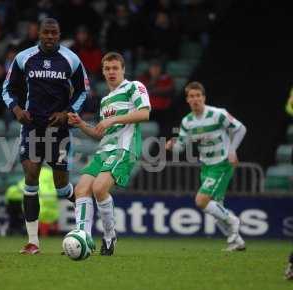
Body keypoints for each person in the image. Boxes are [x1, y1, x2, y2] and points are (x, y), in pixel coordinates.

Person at [1, 18, 89, 255]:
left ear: (59, 35)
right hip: (32, 127)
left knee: (61, 186)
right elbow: (7, 89)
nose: (50, 37)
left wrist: (68, 113)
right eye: (46, 33)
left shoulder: (71, 59)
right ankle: (32, 242)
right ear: (38, 34)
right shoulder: (24, 58)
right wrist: (17, 110)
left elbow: (83, 90)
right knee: (31, 176)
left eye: (54, 33)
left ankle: (86, 217)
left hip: (59, 130)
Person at [68, 52, 151, 255]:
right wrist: (81, 124)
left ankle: (109, 236)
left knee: (99, 188)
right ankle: (83, 237)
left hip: (125, 148)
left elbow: (145, 113)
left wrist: (112, 120)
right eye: (107, 69)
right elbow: (99, 133)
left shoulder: (134, 86)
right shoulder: (105, 100)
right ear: (103, 72)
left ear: (123, 69)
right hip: (104, 150)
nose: (111, 72)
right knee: (81, 189)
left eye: (115, 68)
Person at [165, 81, 247, 251]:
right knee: (215, 208)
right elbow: (181, 147)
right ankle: (237, 241)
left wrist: (232, 150)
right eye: (191, 96)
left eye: (198, 96)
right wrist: (172, 144)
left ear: (204, 97)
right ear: (187, 99)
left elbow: (241, 129)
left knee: (202, 201)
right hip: (206, 166)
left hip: (222, 164)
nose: (195, 99)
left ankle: (233, 220)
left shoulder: (218, 114)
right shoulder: (187, 121)